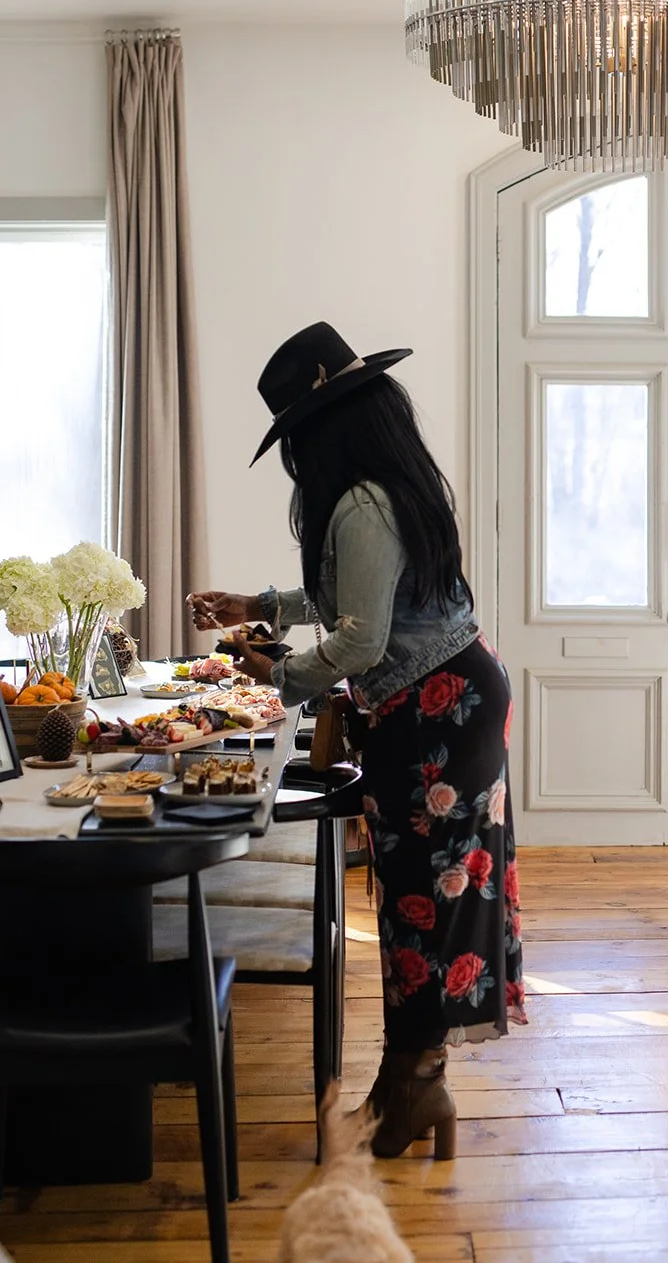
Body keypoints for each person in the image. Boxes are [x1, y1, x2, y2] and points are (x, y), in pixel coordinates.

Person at [188, 322, 526, 1160]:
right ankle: (412, 1082)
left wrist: (274, 675)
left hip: (432, 714)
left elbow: (360, 642)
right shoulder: (386, 490)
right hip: (449, 700)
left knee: (423, 903)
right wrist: (256, 605)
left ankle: (414, 1086)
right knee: (429, 900)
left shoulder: (360, 504)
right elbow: (356, 600)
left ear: (322, 429)